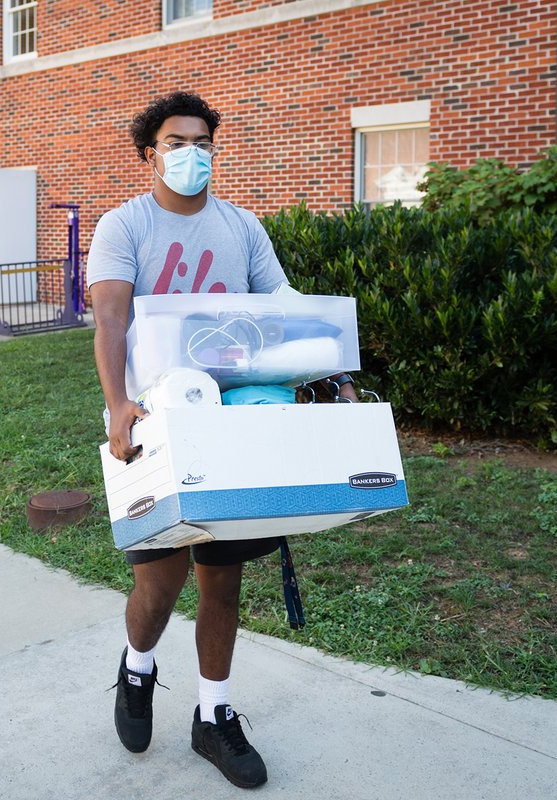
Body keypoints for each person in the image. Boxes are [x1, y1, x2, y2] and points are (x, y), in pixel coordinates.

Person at [86, 91, 356, 789]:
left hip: (234, 418)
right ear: (150, 154)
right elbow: (110, 321)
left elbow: (284, 308)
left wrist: (337, 373)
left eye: (202, 142)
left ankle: (213, 715)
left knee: (223, 580)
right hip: (154, 420)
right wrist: (117, 406)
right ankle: (137, 667)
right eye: (177, 143)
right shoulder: (125, 225)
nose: (192, 154)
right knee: (161, 582)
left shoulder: (241, 227)